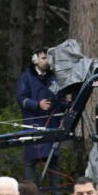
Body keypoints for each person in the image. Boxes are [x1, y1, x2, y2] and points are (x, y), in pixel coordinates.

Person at [16, 49, 65, 184]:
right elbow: (21, 99)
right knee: (30, 161)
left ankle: (56, 193)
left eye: (48, 58)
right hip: (33, 124)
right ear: (35, 59)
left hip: (51, 124)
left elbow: (59, 98)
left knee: (53, 159)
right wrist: (37, 104)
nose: (46, 61)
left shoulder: (53, 78)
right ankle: (30, 193)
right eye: (43, 58)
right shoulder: (26, 77)